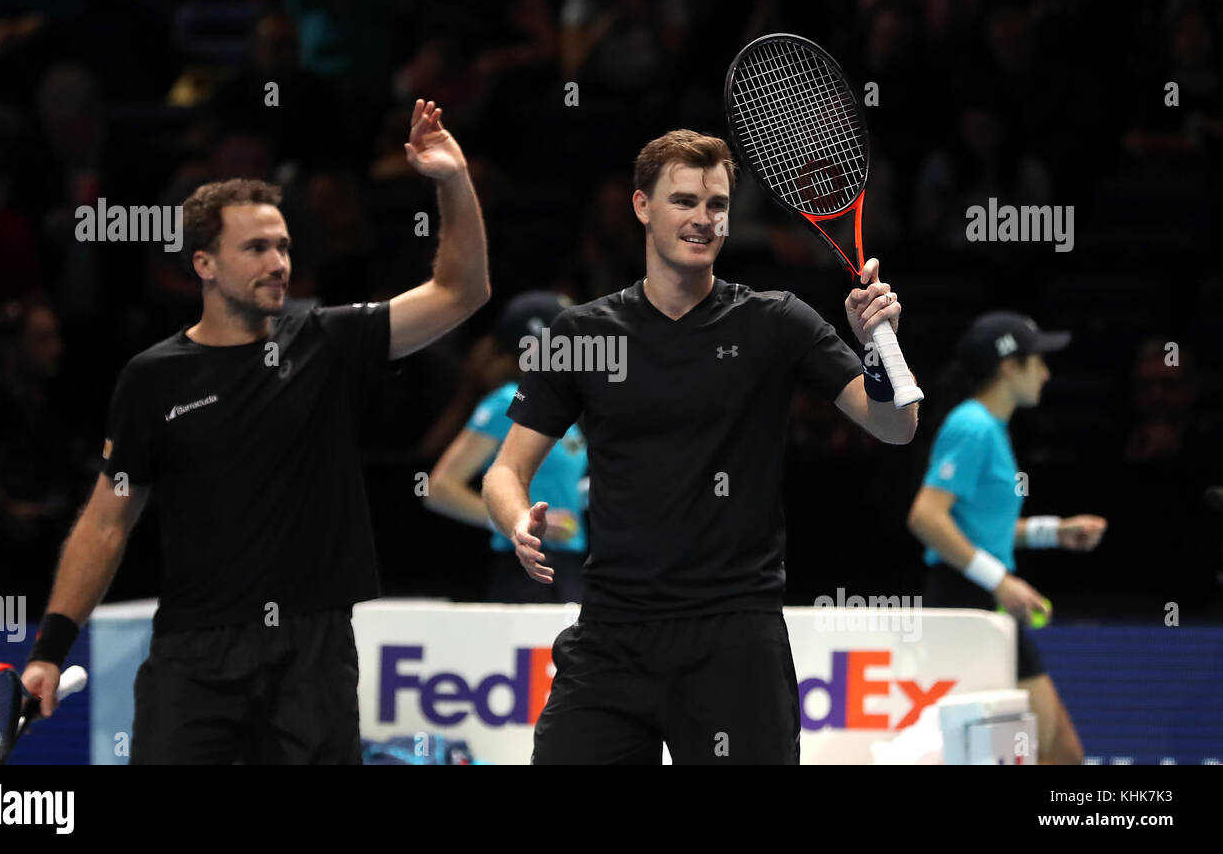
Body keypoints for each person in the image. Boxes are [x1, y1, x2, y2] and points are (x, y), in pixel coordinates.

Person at [21, 99, 490, 764]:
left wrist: (451, 180)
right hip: (193, 651)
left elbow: (462, 290)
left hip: (312, 652)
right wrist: (49, 650)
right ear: (205, 264)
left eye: (284, 246)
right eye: (256, 247)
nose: (278, 261)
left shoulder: (330, 340)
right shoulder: (152, 379)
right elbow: (106, 520)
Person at [481, 129, 917, 764]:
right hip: (613, 634)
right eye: (684, 201)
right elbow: (504, 472)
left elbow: (894, 426)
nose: (703, 219)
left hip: (736, 638)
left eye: (716, 205)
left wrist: (882, 345)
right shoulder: (580, 334)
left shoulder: (777, 322)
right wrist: (516, 519)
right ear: (641, 207)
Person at [906, 311, 1107, 765]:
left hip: (983, 603)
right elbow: (926, 518)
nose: (1048, 372)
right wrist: (1000, 581)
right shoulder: (972, 426)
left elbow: (982, 530)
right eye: (1039, 361)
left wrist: (1053, 532)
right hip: (968, 604)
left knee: (1062, 752)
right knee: (1041, 753)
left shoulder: (990, 427)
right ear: (1009, 366)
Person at [425, 291, 588, 603]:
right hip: (527, 574)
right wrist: (515, 522)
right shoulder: (508, 402)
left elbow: (558, 487)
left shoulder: (562, 408)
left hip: (570, 570)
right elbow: (439, 488)